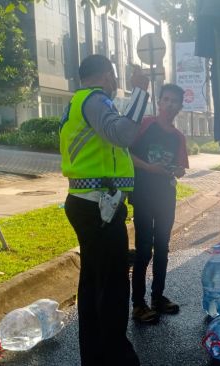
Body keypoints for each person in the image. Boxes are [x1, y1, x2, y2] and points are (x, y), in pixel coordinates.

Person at [60, 54, 149, 366]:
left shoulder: (79, 102)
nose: (115, 84)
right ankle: (116, 357)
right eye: (114, 77)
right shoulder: (94, 100)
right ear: (108, 75)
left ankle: (96, 356)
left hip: (90, 203)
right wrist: (139, 93)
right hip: (98, 207)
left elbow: (113, 137)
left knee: (94, 284)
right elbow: (122, 133)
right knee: (111, 285)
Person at [130, 84, 189, 323]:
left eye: (174, 101)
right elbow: (127, 153)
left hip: (166, 196)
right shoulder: (145, 125)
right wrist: (149, 168)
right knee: (144, 249)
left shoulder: (178, 137)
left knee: (162, 247)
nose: (169, 105)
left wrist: (176, 170)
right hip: (143, 194)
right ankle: (138, 304)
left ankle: (157, 297)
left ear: (180, 107)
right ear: (159, 102)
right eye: (166, 100)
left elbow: (182, 169)